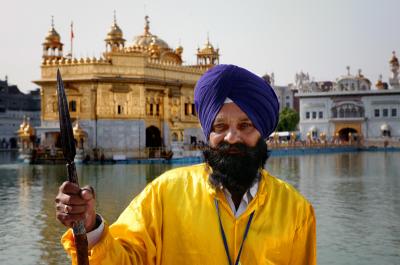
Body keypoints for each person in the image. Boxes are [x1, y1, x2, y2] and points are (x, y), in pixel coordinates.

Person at [55, 64, 316, 264]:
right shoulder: (166, 194)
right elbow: (124, 258)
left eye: (245, 126)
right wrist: (90, 227)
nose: (231, 137)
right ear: (208, 134)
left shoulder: (295, 211)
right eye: (220, 126)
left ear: (262, 133)